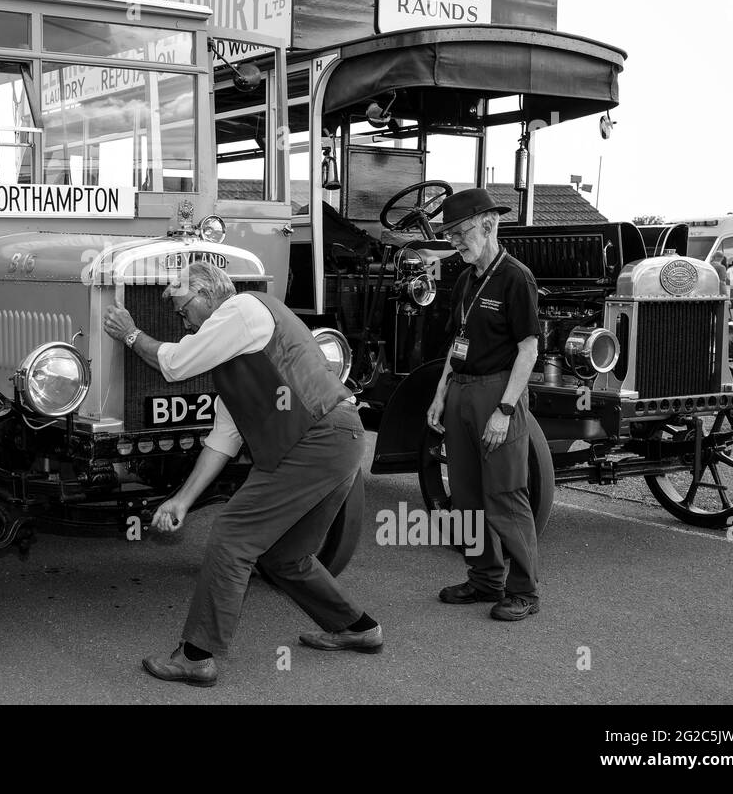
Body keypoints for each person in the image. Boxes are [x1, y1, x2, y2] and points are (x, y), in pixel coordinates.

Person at [102, 262, 379, 687]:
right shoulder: (240, 350)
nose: (183, 320)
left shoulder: (242, 309)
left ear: (209, 293)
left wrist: (131, 334)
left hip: (316, 440)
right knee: (285, 556)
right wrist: (181, 500)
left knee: (232, 537)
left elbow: (174, 364)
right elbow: (223, 441)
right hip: (336, 438)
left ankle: (195, 656)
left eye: (183, 308)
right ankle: (357, 628)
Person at [425, 188, 542, 622]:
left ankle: (524, 591)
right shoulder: (465, 279)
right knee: (468, 495)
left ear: (489, 225)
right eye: (450, 235)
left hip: (498, 392)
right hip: (461, 389)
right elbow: (455, 345)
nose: (454, 242)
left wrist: (506, 409)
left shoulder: (516, 277)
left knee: (506, 494)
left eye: (459, 232)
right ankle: (484, 578)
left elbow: (528, 349)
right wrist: (440, 394)